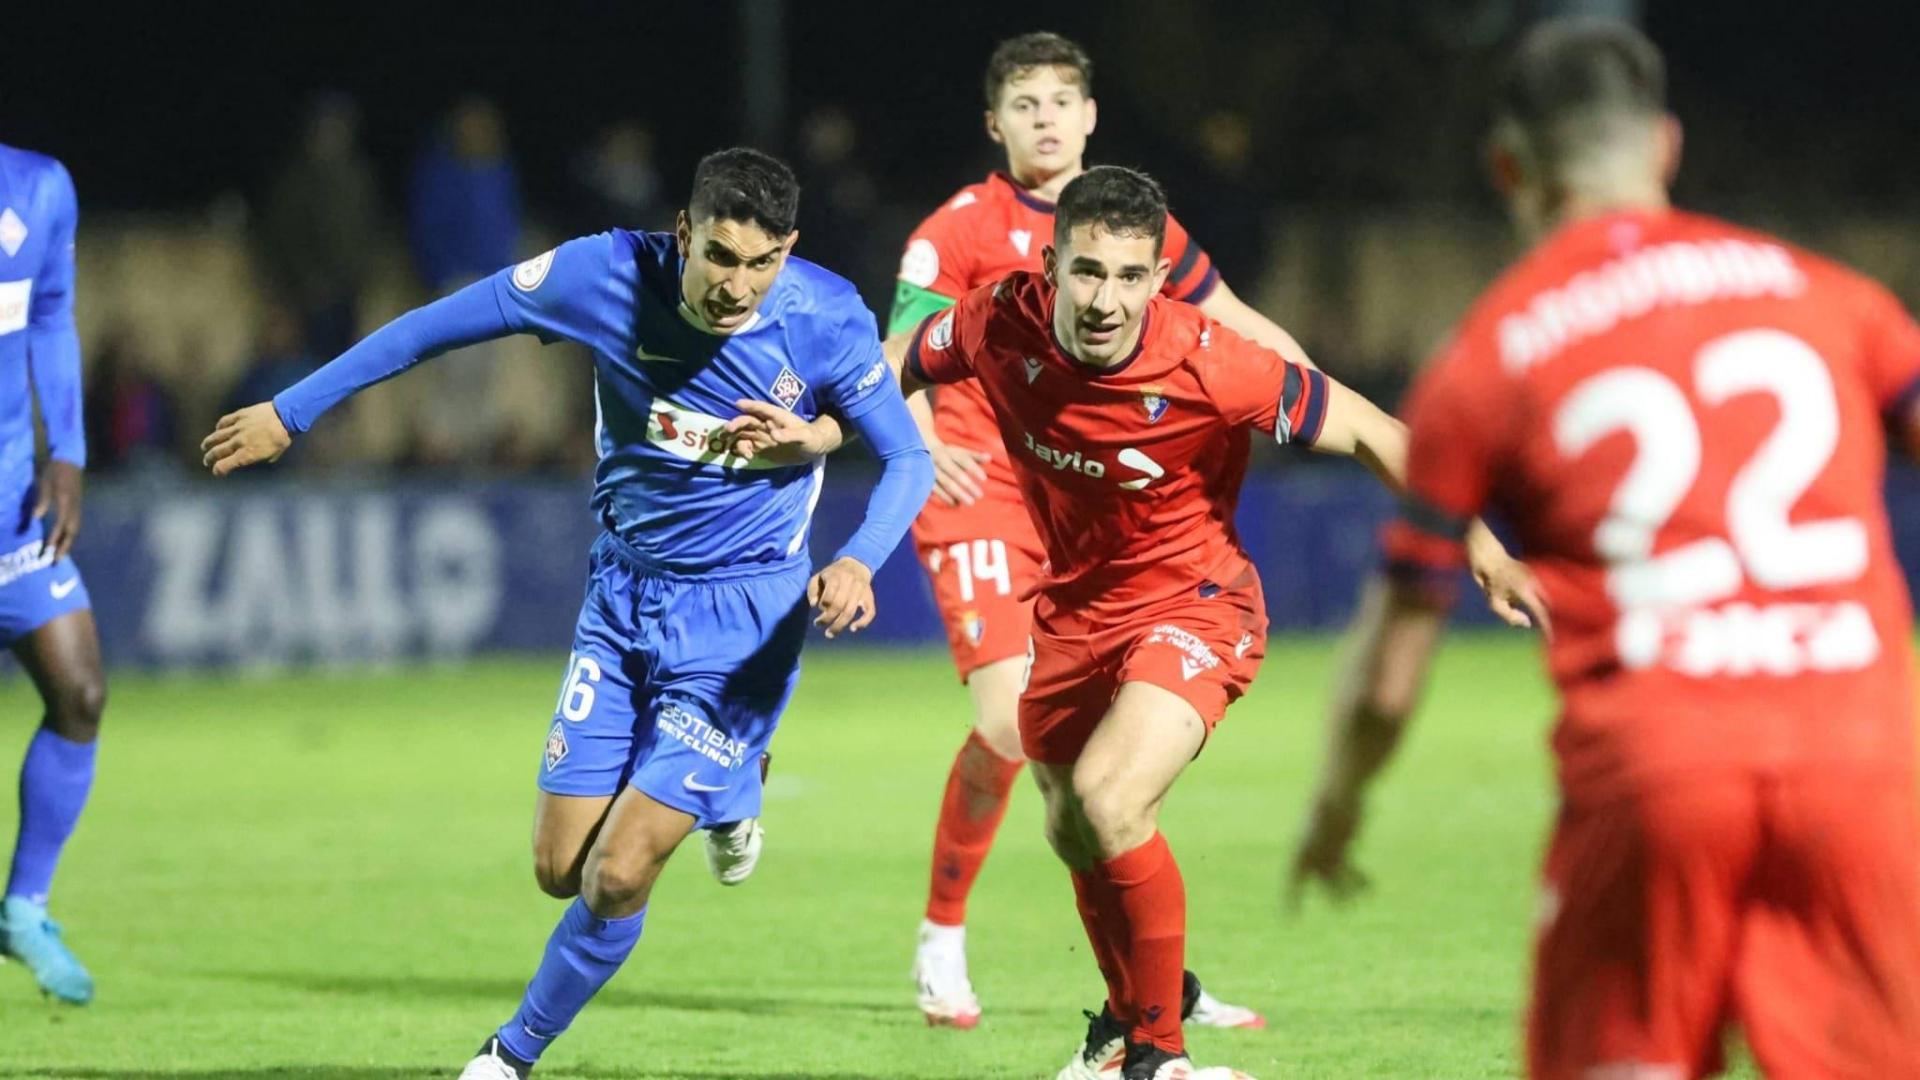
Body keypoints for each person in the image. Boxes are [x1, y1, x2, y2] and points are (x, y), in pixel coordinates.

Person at [732, 165, 1532, 1080]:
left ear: (1157, 279)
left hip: (1197, 605)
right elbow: (901, 361)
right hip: (1073, 616)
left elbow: (1375, 432)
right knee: (1072, 826)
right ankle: (1124, 1024)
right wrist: (829, 434)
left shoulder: (1209, 358)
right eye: (1086, 272)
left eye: (1127, 277)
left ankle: (1162, 1057)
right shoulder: (1001, 318)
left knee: (1112, 799)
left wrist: (1484, 549)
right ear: (1050, 264)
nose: (1104, 299)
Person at [202, 148, 935, 1079]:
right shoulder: (603, 275)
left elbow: (906, 459)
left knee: (621, 871)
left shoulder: (827, 315)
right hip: (623, 599)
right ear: (685, 232)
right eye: (720, 257)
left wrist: (860, 562)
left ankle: (507, 1057)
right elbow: (436, 326)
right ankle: (729, 785)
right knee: (561, 871)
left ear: (788, 250)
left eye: (762, 263)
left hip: (747, 618)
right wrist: (292, 411)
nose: (738, 286)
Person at [1295, 19, 1920, 1077]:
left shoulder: (1490, 358)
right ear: (1665, 146)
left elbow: (1395, 664)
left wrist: (1338, 805)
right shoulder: (1830, 299)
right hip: (1859, 768)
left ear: (1509, 167)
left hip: (1655, 783)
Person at [889, 30, 1316, 1030]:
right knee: (1008, 723)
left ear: (1090, 116)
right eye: (1024, 104)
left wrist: (1324, 396)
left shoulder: (1135, 229)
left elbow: (1240, 324)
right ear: (994, 124)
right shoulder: (955, 232)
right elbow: (897, 351)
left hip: (1092, 518)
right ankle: (941, 939)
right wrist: (915, 453)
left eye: (1061, 101)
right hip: (982, 488)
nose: (1045, 119)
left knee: (1092, 785)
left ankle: (1149, 996)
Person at [0, 143, 106, 1005]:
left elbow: (51, 313)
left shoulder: (39, 188)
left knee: (79, 693)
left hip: (12, 502)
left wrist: (64, 449)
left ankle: (23, 909)